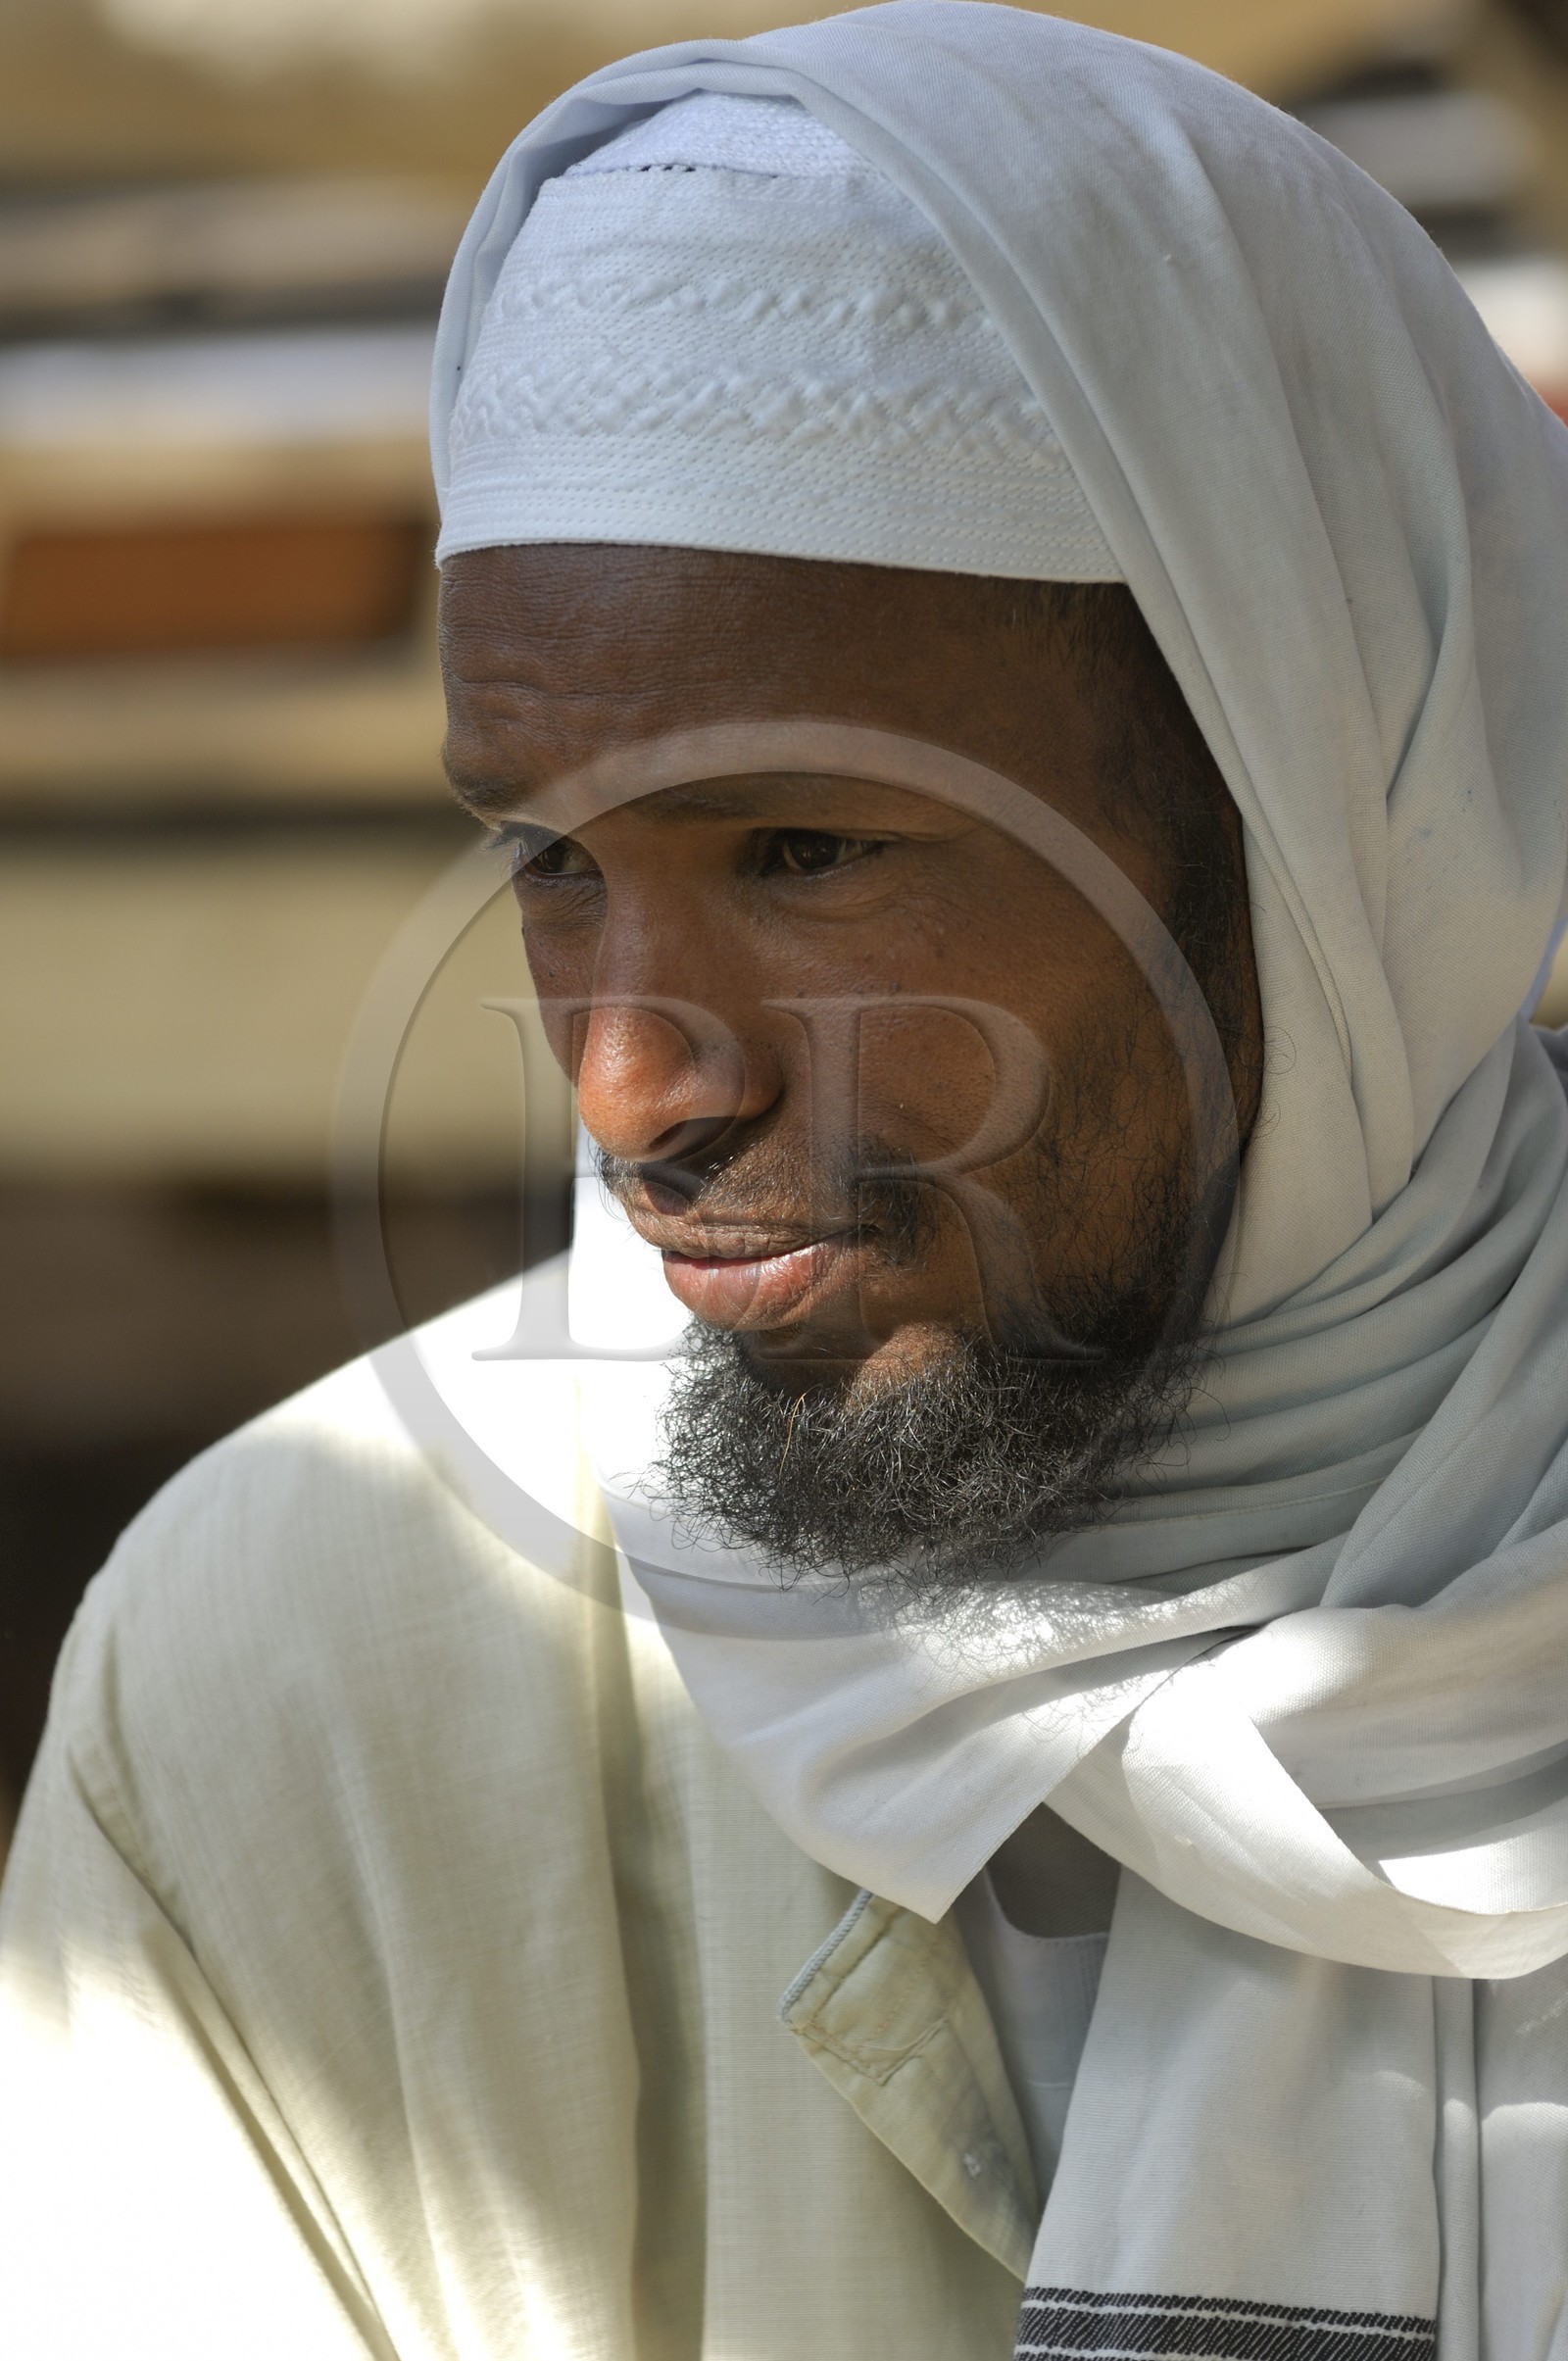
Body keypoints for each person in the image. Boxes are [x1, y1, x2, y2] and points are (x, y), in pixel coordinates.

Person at [7, 6, 1568, 2356]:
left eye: (810, 846)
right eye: (545, 858)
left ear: (1333, 821)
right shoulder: (304, 1660)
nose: (629, 1080)